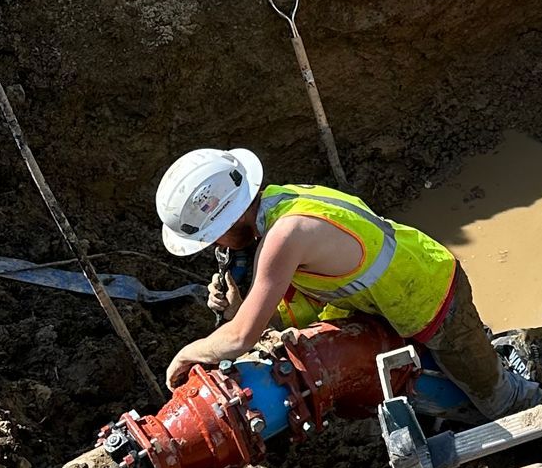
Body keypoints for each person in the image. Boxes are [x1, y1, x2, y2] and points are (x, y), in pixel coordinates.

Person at [154, 149, 520, 412]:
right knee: (433, 382)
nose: (214, 247)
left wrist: (187, 353)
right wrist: (239, 309)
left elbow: (240, 338)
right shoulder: (278, 203)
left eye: (211, 238)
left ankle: (540, 415)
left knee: (498, 400)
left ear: (228, 221)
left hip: (431, 297)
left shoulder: (284, 237)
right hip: (399, 288)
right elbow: (297, 303)